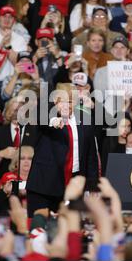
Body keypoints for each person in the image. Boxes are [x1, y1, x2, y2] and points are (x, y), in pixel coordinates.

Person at [26, 83, 99, 217]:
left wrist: (92, 186)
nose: (66, 105)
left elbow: (91, 156)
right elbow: (40, 114)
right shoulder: (48, 115)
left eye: (70, 101)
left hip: (74, 185)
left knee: (70, 229)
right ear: (55, 102)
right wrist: (54, 119)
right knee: (39, 229)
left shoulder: (85, 119)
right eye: (62, 101)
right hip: (44, 186)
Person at [0, 97, 39, 184]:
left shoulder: (35, 132)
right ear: (7, 112)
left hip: (30, 180)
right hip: (3, 180)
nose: (17, 113)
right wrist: (0, 154)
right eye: (14, 110)